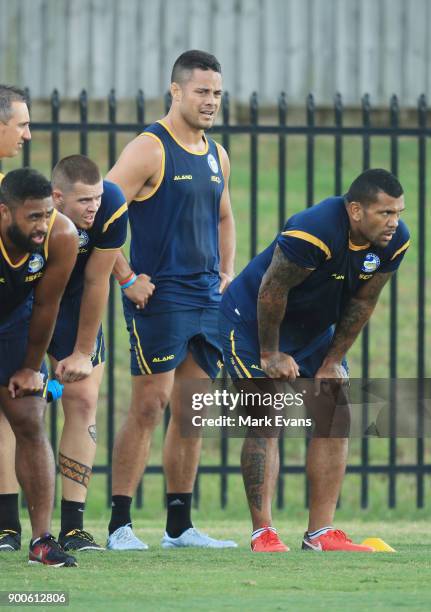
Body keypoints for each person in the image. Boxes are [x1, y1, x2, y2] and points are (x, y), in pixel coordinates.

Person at [219, 168, 410, 552]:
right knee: (265, 417)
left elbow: (363, 302)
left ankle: (321, 533)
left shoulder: (394, 242)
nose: (394, 222)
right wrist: (271, 354)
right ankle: (264, 534)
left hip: (314, 329)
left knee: (335, 413)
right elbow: (272, 290)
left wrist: (331, 361)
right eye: (384, 213)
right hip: (253, 321)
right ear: (356, 210)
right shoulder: (314, 229)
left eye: (398, 212)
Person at [106, 49, 237, 549]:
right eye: (202, 91)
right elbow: (101, 213)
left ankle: (179, 527)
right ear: (176, 91)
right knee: (150, 404)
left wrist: (227, 272)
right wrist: (125, 276)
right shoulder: (149, 149)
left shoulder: (216, 154)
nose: (210, 102)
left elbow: (224, 215)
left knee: (192, 409)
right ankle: (119, 525)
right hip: (158, 296)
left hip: (206, 297)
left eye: (217, 94)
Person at [0, 155, 128, 553]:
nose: (94, 206)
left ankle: (59, 532)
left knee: (57, 405)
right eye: (84, 200)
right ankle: (6, 526)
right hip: (18, 304)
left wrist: (69, 356)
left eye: (98, 198)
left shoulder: (72, 230)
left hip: (44, 309)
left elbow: (76, 291)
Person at [0, 167, 79, 566]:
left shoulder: (61, 236)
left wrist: (32, 368)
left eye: (46, 213)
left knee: (30, 415)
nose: (42, 224)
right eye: (32, 216)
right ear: (4, 213)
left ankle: (42, 542)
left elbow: (47, 306)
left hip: (15, 319)